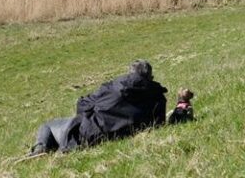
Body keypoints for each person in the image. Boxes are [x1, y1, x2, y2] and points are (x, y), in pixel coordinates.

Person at [29, 60, 167, 155]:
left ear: (129, 73)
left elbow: (82, 105)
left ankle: (40, 148)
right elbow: (159, 123)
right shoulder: (158, 96)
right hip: (120, 134)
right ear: (150, 76)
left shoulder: (112, 87)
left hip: (91, 134)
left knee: (48, 125)